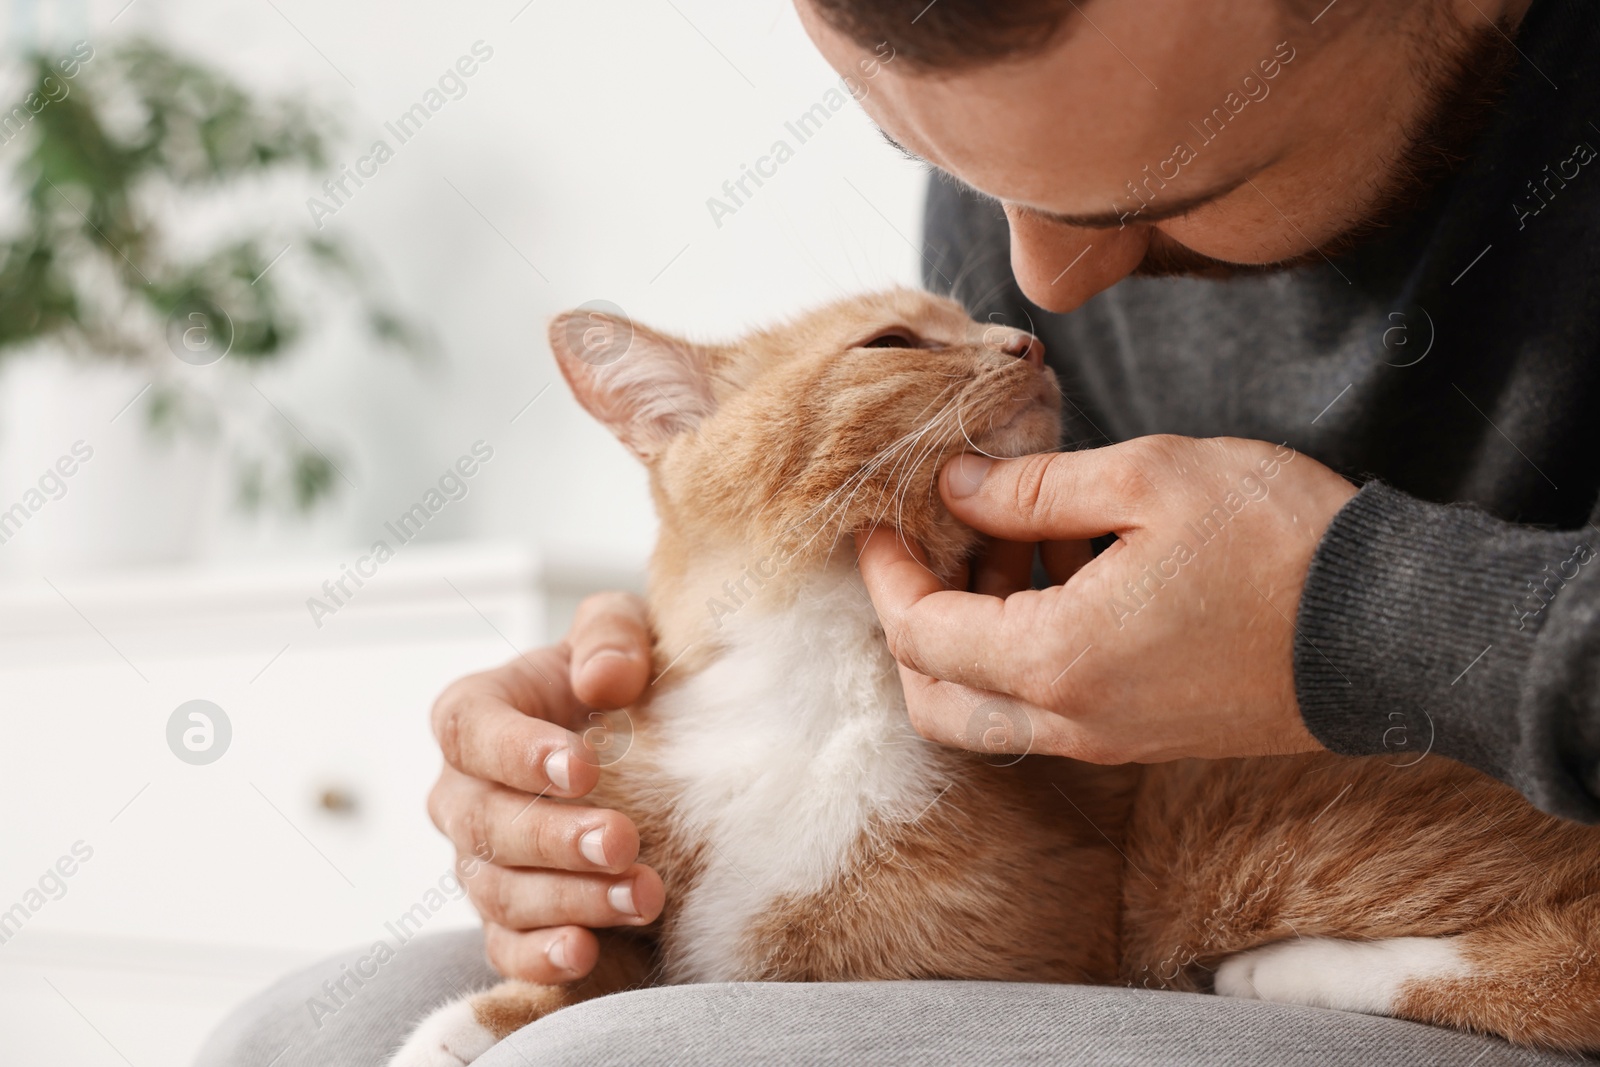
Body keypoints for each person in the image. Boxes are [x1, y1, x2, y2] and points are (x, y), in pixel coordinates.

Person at [199, 0, 1600, 1063]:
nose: (1036, 288)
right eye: (929, 153)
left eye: (1174, 193)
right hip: (1144, 886)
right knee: (308, 1025)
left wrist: (1363, 618)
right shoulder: (1026, 195)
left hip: (1404, 884)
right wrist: (603, 771)